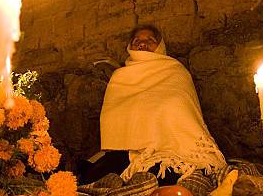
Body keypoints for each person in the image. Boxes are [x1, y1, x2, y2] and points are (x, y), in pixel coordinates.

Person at [79, 24, 226, 186]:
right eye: (137, 41)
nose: (142, 44)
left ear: (160, 46)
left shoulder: (175, 70)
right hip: (128, 150)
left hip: (174, 148)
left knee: (168, 175)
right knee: (94, 176)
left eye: (150, 40)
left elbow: (179, 105)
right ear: (130, 47)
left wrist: (160, 111)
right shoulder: (120, 76)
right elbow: (113, 115)